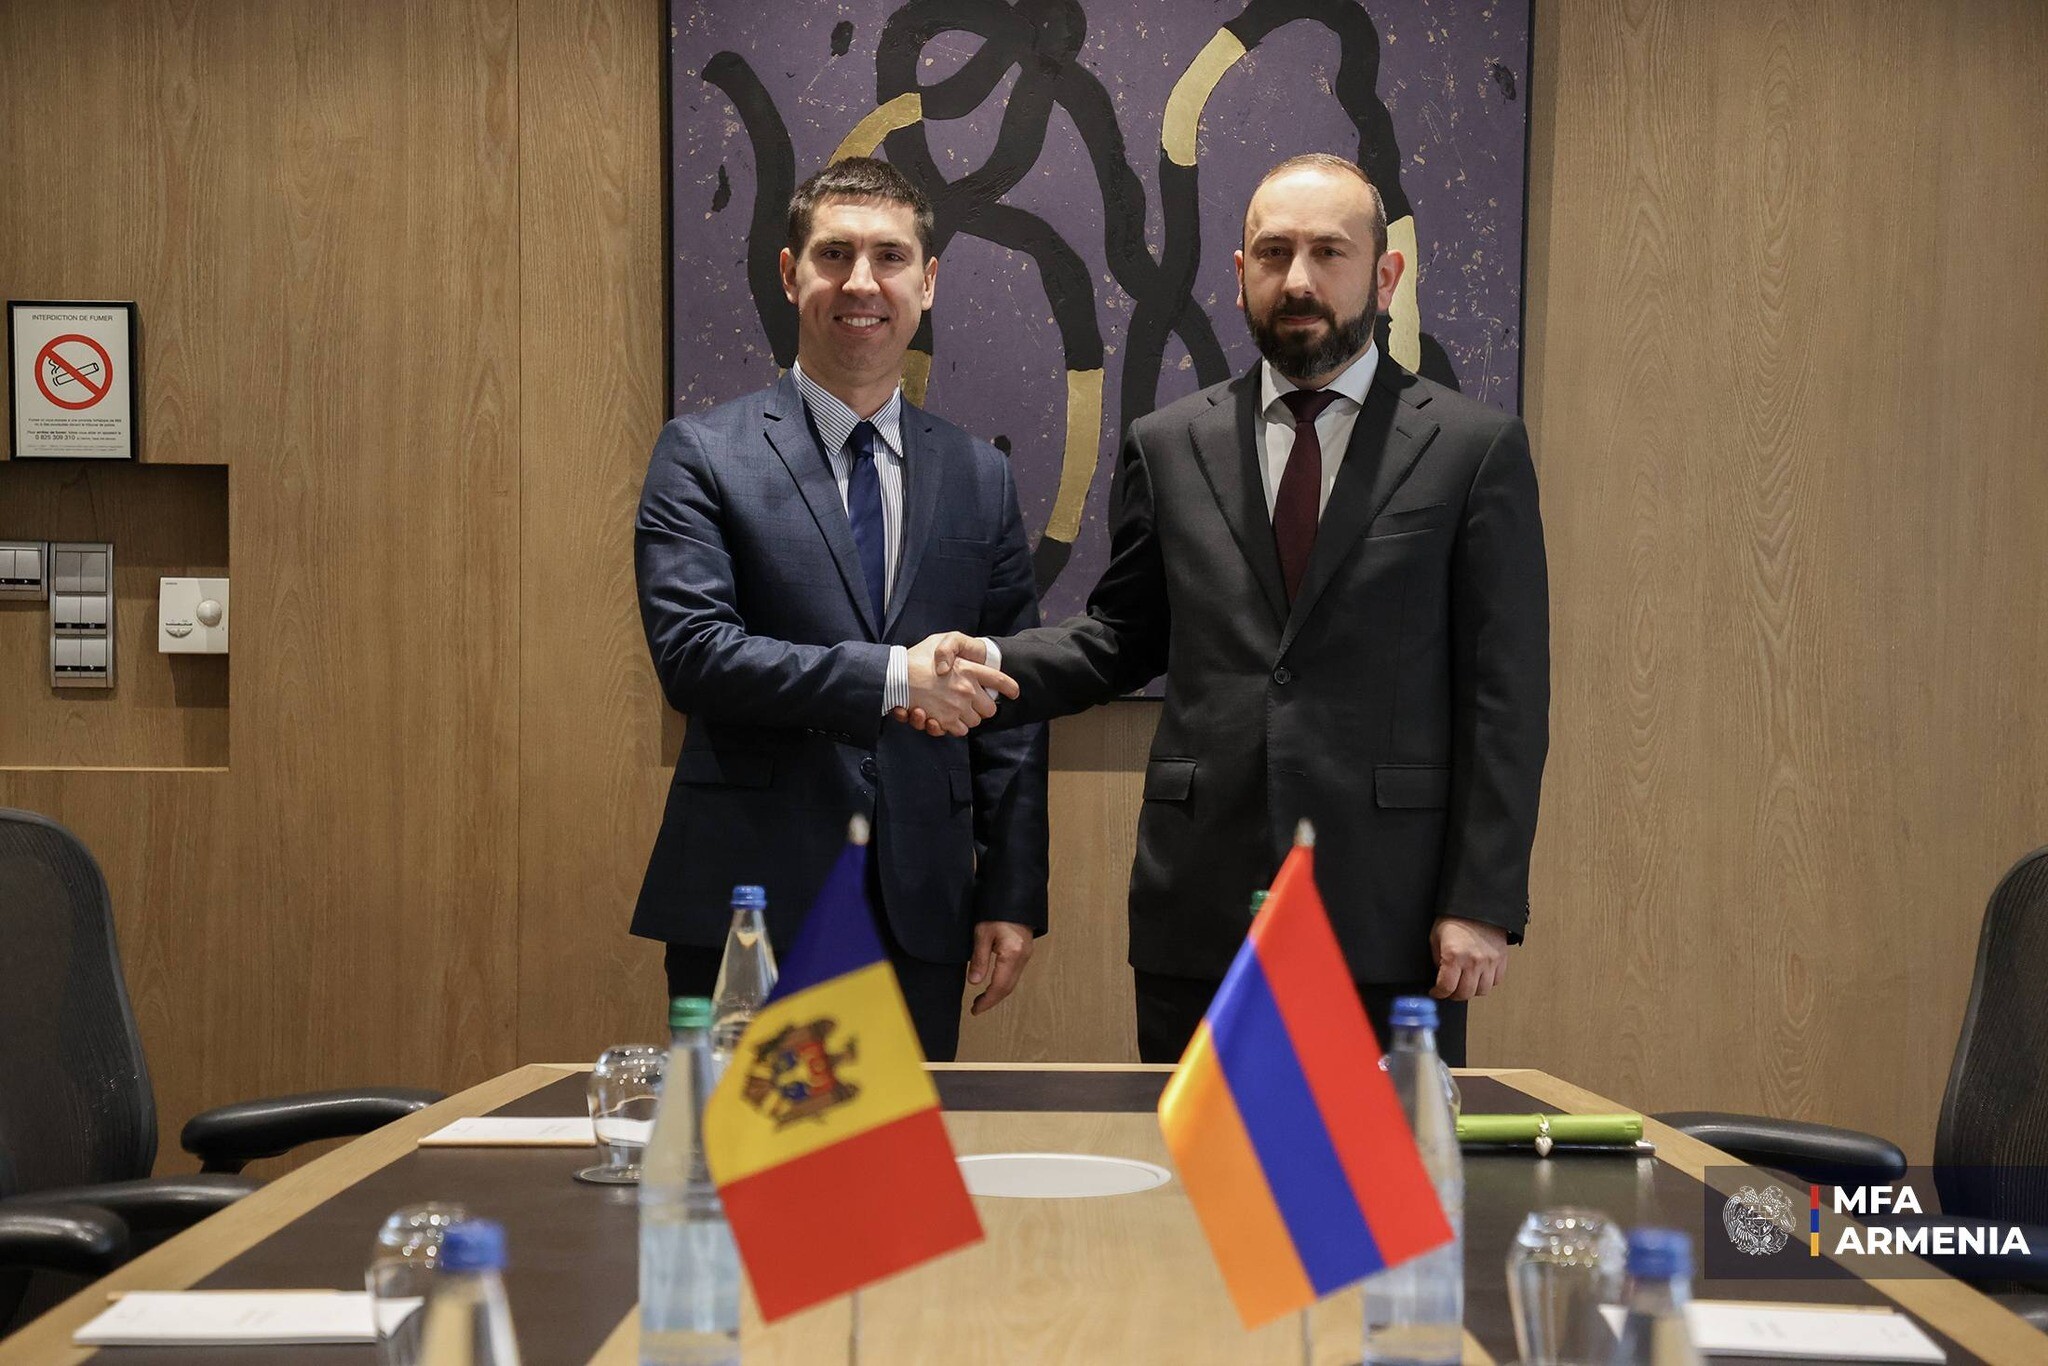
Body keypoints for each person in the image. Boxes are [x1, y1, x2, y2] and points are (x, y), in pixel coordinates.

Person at [901, 154, 1547, 1064]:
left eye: (1329, 252)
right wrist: (989, 665)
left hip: (1390, 916)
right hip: (1200, 909)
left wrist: (1480, 899)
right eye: (1274, 253)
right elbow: (1121, 638)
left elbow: (1505, 699)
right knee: (1197, 1154)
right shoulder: (1169, 444)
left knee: (1374, 1162)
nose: (1299, 280)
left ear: (1385, 274)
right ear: (1241, 274)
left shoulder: (1473, 450)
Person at [632, 158, 1047, 1061]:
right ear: (791, 274)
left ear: (927, 283)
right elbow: (694, 656)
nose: (862, 282)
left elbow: (1011, 706)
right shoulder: (701, 453)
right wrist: (895, 676)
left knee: (900, 1155)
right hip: (749, 907)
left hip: (920, 910)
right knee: (740, 1150)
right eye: (835, 254)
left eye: (890, 257)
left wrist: (1012, 893)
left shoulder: (980, 477)